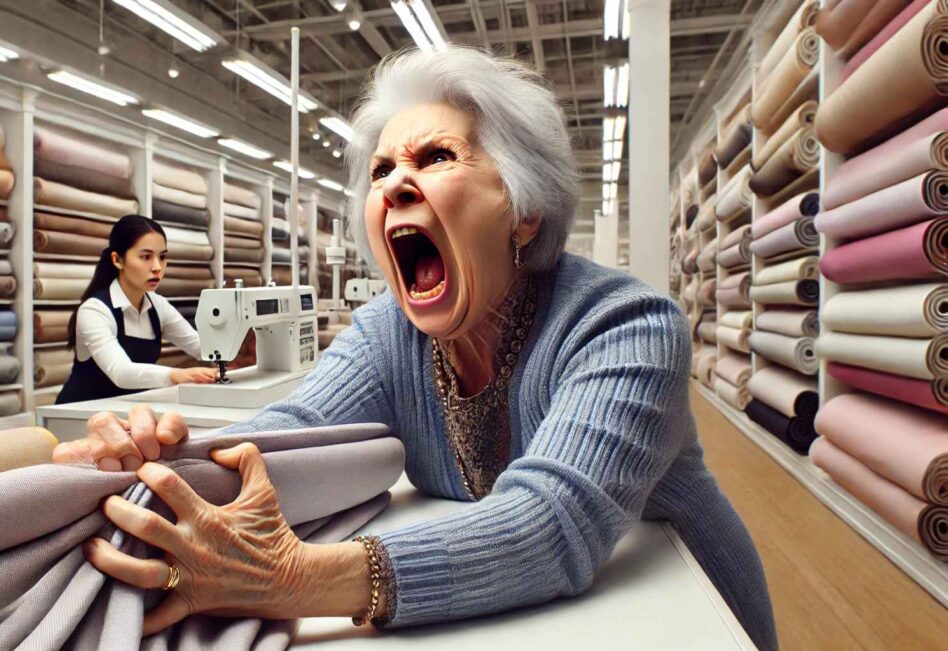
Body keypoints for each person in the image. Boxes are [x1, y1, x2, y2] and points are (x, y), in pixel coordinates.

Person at [54, 48, 778, 649]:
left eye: (436, 157)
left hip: (685, 610)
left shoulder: (625, 325)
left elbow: (556, 523)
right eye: (381, 171)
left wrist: (295, 577)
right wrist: (159, 455)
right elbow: (294, 431)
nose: (397, 181)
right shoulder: (390, 334)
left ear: (525, 212)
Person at [55, 215, 218, 408]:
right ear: (118, 260)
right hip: (79, 412)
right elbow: (121, 372)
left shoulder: (157, 305)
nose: (157, 267)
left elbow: (202, 348)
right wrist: (176, 375)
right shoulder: (94, 310)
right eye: (146, 257)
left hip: (125, 409)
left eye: (162, 257)